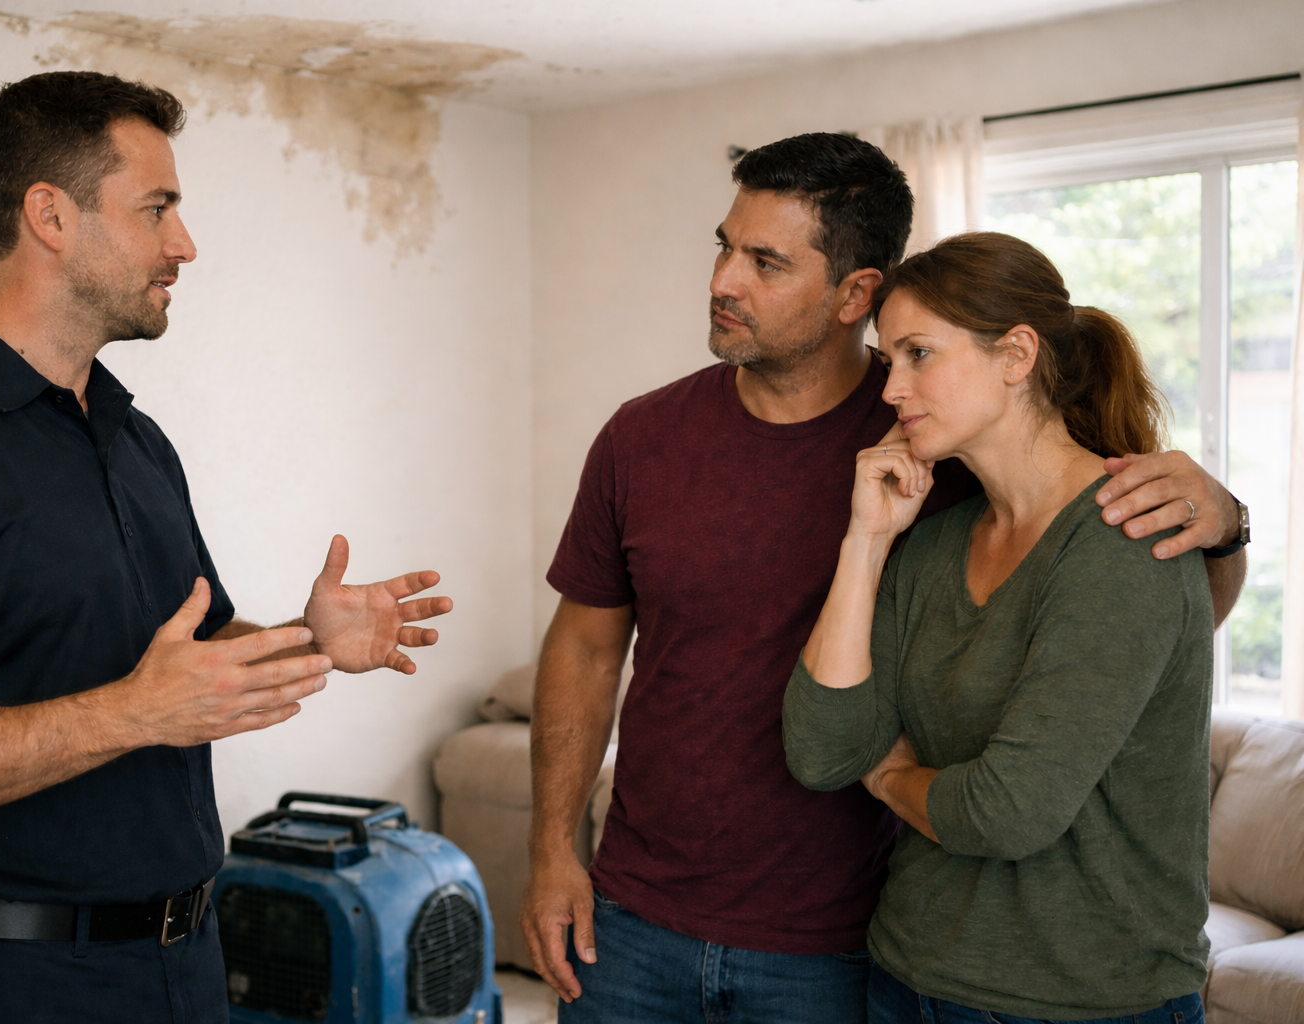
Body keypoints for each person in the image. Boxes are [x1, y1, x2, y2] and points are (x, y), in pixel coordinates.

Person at [521, 134, 1245, 1023]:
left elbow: (1145, 634)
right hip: (643, 919)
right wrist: (554, 848)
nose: (722, 280)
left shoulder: (957, 458)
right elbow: (594, 652)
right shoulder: (653, 441)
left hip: (843, 941)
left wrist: (1227, 526)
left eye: (765, 261)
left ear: (853, 292)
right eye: (724, 246)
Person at [0, 71, 451, 1024]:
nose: (184, 244)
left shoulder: (135, 441)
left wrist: (306, 640)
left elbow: (188, 660)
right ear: (50, 216)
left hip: (177, 971)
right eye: (157, 208)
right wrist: (132, 715)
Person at [783, 231, 1212, 1022]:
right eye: (889, 361)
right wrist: (867, 538)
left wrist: (888, 778)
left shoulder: (1123, 542)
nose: (890, 391)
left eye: (918, 354)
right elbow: (822, 748)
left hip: (1085, 1004)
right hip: (907, 979)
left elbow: (1007, 812)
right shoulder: (940, 539)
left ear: (1017, 355)